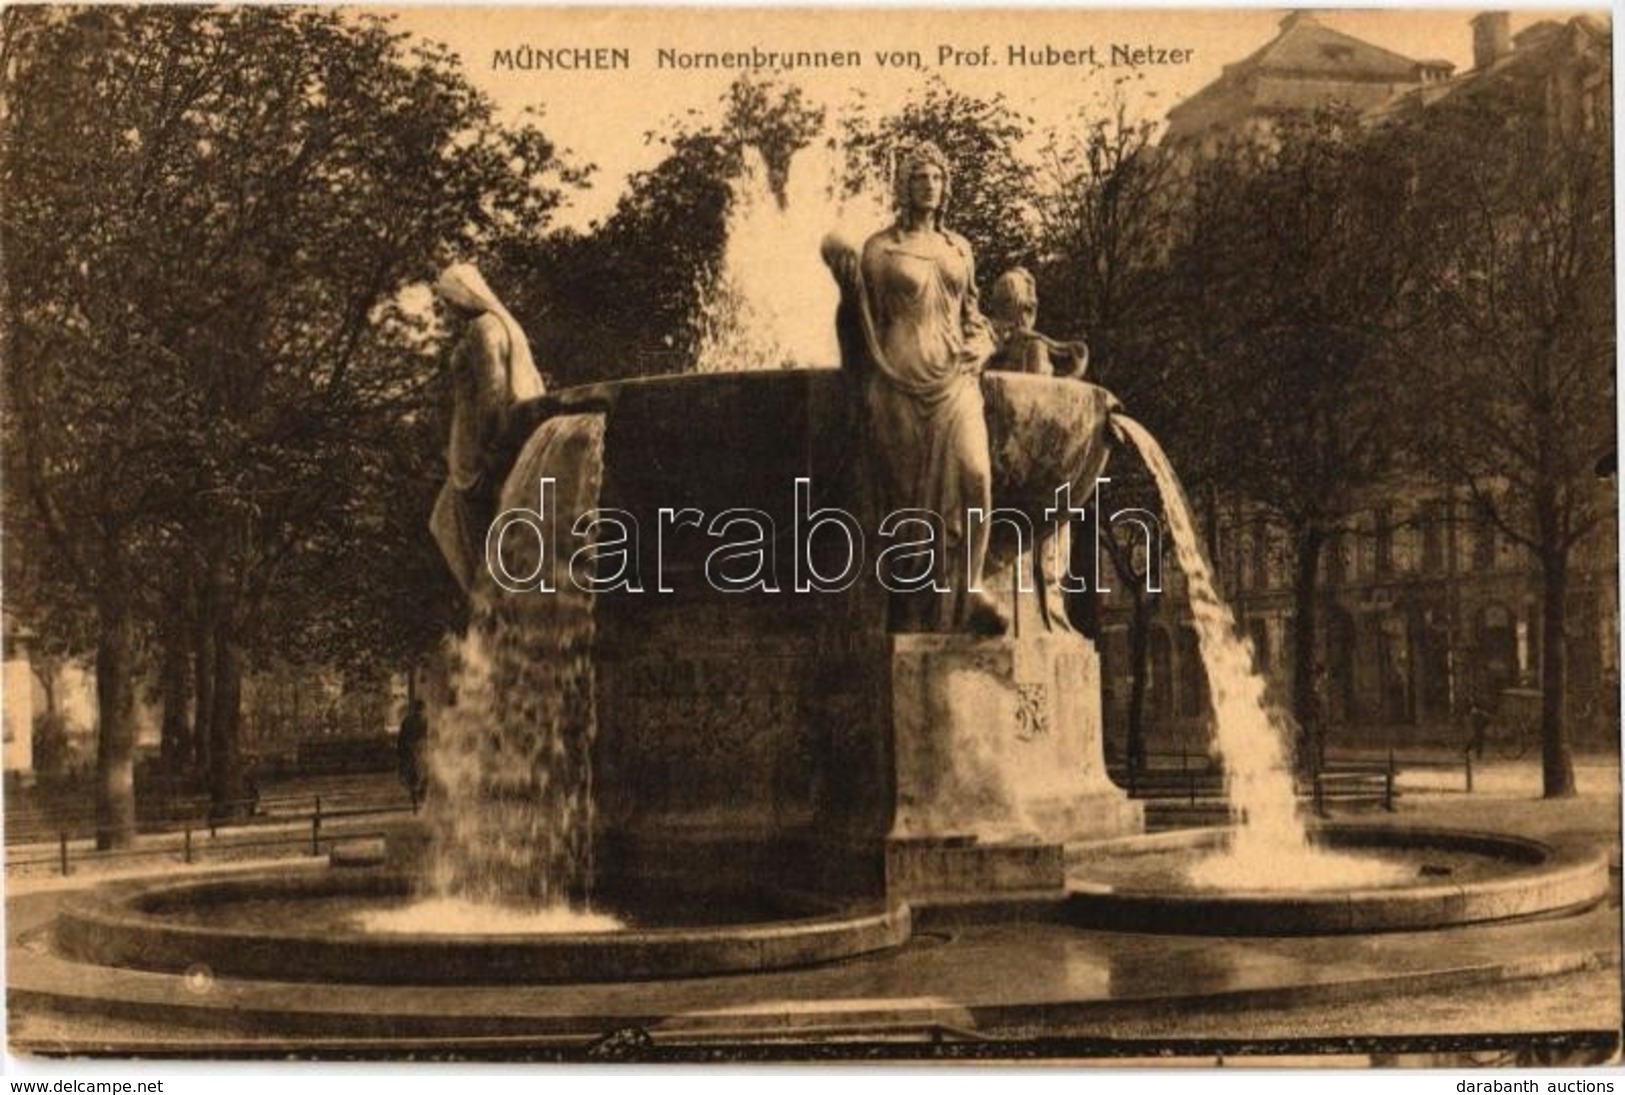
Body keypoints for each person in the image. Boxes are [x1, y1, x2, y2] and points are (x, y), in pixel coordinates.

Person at [823, 143, 1006, 634]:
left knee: (977, 477)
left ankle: (971, 587)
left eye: (937, 178)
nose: (930, 185)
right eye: (920, 177)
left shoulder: (958, 249)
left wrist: (984, 345)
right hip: (898, 383)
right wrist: (845, 285)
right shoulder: (879, 249)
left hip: (955, 381)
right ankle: (910, 606)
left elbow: (975, 316)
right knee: (908, 505)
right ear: (905, 186)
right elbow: (860, 324)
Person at [429, 263, 546, 593]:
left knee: (449, 523)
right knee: (458, 524)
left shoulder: (483, 328)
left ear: (465, 294)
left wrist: (487, 452)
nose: (449, 308)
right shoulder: (504, 325)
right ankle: (491, 597)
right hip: (490, 441)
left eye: (450, 300)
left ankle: (485, 598)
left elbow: (492, 394)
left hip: (476, 452)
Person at [985, 267, 1089, 378]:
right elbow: (1042, 387)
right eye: (1029, 307)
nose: (1034, 307)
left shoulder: (983, 336)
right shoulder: (1033, 345)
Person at [397, 699, 429, 810]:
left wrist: (401, 753)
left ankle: (416, 803)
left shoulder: (408, 721)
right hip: (420, 752)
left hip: (413, 752)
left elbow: (401, 738)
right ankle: (420, 802)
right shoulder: (425, 721)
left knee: (414, 779)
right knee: (421, 778)